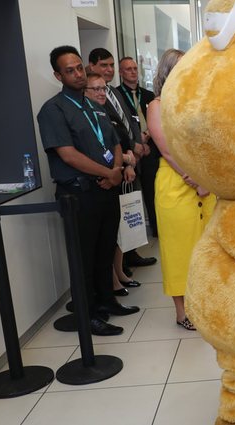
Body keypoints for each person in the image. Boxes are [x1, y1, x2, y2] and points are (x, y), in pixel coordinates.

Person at [37, 46, 139, 336]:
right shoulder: (53, 110)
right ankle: (89, 314)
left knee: (105, 250)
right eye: (70, 70)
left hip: (107, 191)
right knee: (84, 258)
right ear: (58, 75)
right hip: (79, 195)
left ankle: (108, 301)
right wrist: (109, 172)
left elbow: (116, 142)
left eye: (79, 67)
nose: (78, 73)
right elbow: (68, 155)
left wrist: (116, 171)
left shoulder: (95, 105)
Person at [148, 49, 216, 330]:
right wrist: (194, 179)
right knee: (179, 249)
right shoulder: (157, 105)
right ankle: (182, 312)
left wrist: (207, 180)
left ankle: (207, 306)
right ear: (167, 72)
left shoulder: (197, 101)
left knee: (209, 249)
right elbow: (166, 149)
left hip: (206, 184)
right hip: (176, 184)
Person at [89, 48, 157, 270]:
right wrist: (128, 155)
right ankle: (120, 265)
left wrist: (139, 144)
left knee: (132, 209)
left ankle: (131, 253)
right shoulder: (100, 97)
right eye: (104, 66)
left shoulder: (113, 92)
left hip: (134, 156)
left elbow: (128, 122)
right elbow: (112, 132)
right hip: (118, 163)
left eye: (110, 65)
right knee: (121, 214)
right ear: (92, 67)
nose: (108, 70)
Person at [83, 71, 142, 297]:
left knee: (116, 233)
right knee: (104, 240)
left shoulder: (104, 110)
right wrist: (118, 167)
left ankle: (118, 273)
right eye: (95, 89)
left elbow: (118, 141)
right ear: (84, 91)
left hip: (117, 174)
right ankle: (112, 282)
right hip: (101, 182)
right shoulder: (86, 114)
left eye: (103, 88)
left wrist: (125, 164)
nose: (101, 93)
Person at [117, 56, 159, 238]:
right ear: (121, 73)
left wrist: (146, 139)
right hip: (129, 151)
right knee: (131, 194)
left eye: (135, 68)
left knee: (152, 190)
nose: (133, 72)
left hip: (150, 148)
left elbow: (156, 120)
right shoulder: (117, 95)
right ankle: (134, 237)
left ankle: (158, 229)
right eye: (128, 69)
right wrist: (135, 145)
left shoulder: (149, 95)